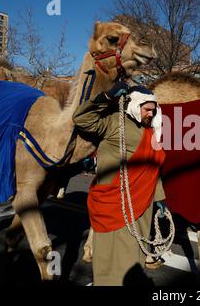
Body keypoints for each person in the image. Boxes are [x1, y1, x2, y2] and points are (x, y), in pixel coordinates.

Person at [73, 82, 166, 286]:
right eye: (147, 109)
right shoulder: (114, 122)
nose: (151, 114)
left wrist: (159, 198)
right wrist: (104, 98)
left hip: (143, 205)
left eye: (153, 110)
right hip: (115, 203)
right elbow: (81, 119)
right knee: (112, 259)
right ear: (134, 105)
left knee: (134, 257)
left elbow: (154, 168)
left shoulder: (151, 132)